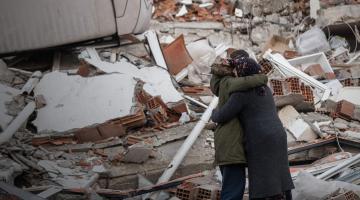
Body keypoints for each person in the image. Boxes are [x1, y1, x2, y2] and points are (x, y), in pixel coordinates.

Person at [211, 57, 294, 200]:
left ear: (242, 72)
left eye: (237, 70)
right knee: (279, 173)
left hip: (260, 138)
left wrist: (214, 112)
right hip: (279, 134)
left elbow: (223, 115)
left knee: (262, 178)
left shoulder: (241, 94)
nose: (235, 73)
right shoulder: (266, 89)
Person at [210, 50, 268, 200]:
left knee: (230, 188)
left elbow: (214, 85)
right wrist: (262, 77)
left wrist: (218, 70)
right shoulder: (230, 83)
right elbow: (248, 81)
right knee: (233, 191)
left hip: (225, 143)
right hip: (231, 145)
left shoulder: (221, 83)